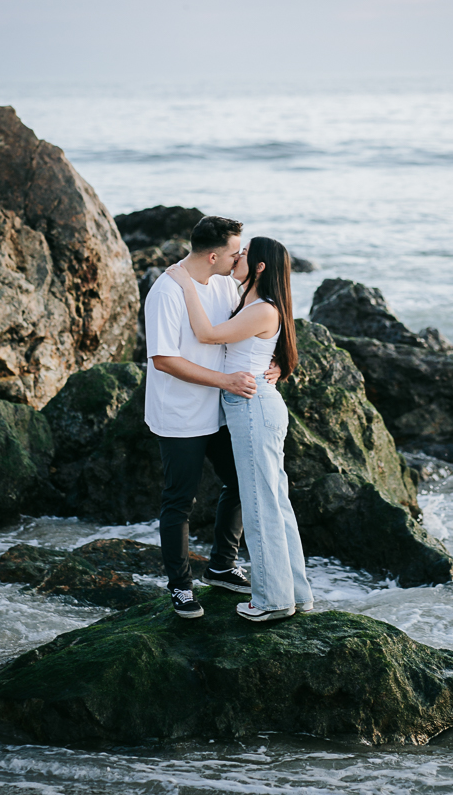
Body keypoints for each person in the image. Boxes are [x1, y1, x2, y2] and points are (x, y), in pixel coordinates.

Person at [166, 236, 314, 623]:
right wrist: (279, 364)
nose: (237, 257)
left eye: (244, 254)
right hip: (252, 405)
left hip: (253, 408)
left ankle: (273, 601)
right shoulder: (246, 297)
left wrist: (184, 283)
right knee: (274, 502)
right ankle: (296, 592)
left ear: (261, 267)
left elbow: (208, 335)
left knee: (262, 505)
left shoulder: (263, 309)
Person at [143, 215, 280, 619]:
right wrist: (225, 379)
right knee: (179, 500)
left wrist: (274, 364)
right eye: (237, 251)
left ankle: (221, 564)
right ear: (216, 255)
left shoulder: (224, 282)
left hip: (221, 410)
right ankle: (181, 587)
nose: (241, 257)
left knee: (240, 482)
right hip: (180, 413)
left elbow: (257, 323)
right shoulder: (166, 291)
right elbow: (165, 360)